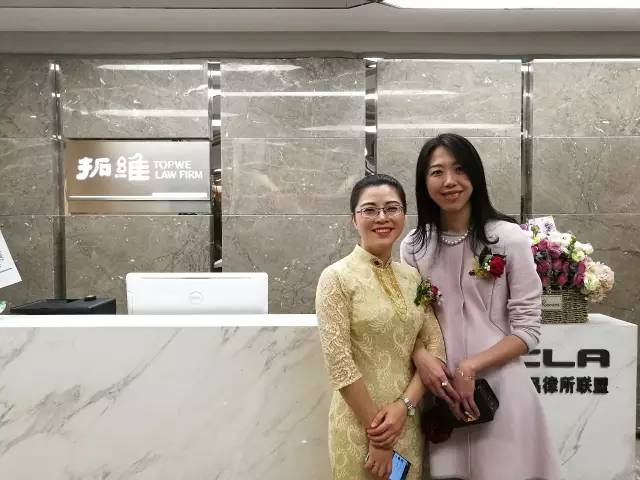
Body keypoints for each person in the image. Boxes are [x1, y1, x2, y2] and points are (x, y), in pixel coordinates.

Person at [400, 133, 561, 480]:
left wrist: (470, 366)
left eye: (459, 169)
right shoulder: (414, 247)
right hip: (442, 397)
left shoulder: (507, 238)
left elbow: (528, 329)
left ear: (475, 174)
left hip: (501, 390)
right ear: (423, 182)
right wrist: (420, 355)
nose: (449, 181)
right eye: (437, 172)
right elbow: (409, 321)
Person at [315, 174, 446, 480]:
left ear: (403, 215)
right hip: (358, 425)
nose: (382, 217)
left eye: (392, 208)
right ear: (354, 219)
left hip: (407, 422)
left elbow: (436, 348)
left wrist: (403, 407)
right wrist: (379, 436)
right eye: (370, 210)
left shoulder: (412, 277)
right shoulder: (336, 278)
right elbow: (340, 366)